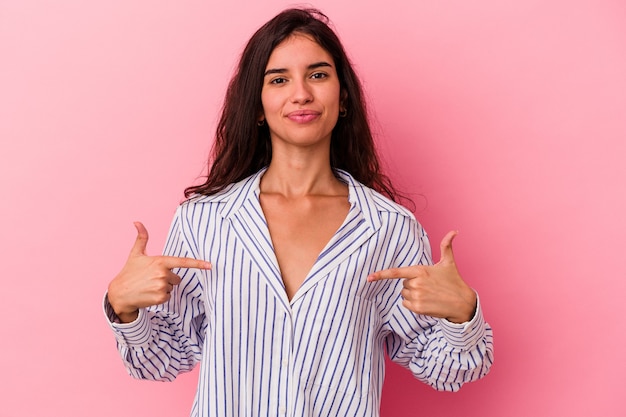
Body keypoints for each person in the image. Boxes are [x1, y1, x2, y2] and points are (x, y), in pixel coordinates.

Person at [104, 7, 493, 417]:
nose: (301, 93)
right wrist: (123, 307)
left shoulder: (388, 228)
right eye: (279, 79)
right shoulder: (205, 220)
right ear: (257, 105)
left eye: (319, 75)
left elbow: (445, 371)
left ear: (342, 97)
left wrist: (462, 314)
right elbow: (164, 359)